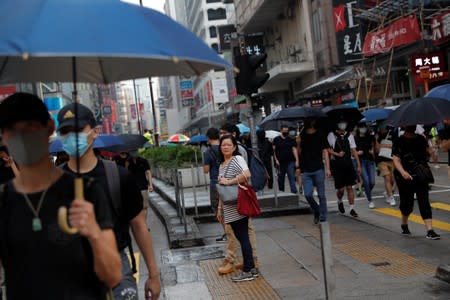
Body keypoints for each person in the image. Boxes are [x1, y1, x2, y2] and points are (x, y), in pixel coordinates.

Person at [0, 92, 121, 299]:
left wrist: (93, 232)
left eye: (30, 128)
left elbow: (113, 276)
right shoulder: (4, 201)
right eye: (12, 131)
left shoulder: (86, 191)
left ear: (49, 128)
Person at [57, 103, 160, 300]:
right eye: (65, 131)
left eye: (78, 130)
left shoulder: (118, 176)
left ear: (95, 132)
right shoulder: (52, 182)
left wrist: (153, 275)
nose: (72, 137)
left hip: (117, 269)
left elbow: (139, 226)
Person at [217, 124, 258, 276]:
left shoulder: (237, 159)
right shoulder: (222, 165)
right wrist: (220, 208)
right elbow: (222, 189)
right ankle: (251, 266)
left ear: (234, 147)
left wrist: (230, 181)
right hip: (228, 206)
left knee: (243, 237)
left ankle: (248, 270)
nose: (226, 147)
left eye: (229, 145)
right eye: (223, 145)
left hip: (239, 204)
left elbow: (247, 174)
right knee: (241, 237)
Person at [392, 125, 440, 240]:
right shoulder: (399, 141)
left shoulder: (421, 139)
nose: (412, 125)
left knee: (424, 201)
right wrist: (403, 172)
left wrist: (432, 149)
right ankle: (404, 224)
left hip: (420, 175)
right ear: (404, 126)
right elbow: (396, 159)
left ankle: (430, 230)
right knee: (407, 202)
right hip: (404, 176)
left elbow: (430, 156)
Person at [299, 118, 331, 223]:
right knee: (307, 194)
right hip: (305, 170)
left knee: (321, 195)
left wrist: (328, 168)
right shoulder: (301, 135)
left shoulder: (320, 134)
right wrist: (298, 143)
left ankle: (323, 215)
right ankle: (317, 209)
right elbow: (299, 152)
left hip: (318, 168)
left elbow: (325, 151)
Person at [327, 118, 361, 217]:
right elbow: (327, 149)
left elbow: (354, 150)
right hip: (337, 165)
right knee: (341, 190)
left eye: (344, 122)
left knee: (350, 187)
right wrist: (337, 154)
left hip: (348, 164)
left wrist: (358, 164)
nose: (343, 124)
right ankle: (339, 200)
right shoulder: (331, 135)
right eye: (341, 123)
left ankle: (352, 208)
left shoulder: (350, 135)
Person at [203, 127, 226, 242]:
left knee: (218, 209)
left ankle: (227, 232)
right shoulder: (225, 148)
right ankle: (231, 232)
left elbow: (206, 170)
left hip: (215, 183)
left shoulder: (208, 152)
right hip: (227, 181)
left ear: (208, 138)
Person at [125, 149, 154, 224]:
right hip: (133, 188)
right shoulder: (128, 162)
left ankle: (143, 224)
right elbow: (125, 174)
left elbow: (148, 172)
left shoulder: (143, 161)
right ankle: (141, 223)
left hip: (143, 186)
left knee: (144, 206)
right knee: (136, 207)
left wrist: (150, 185)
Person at [354, 124, 376, 208]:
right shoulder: (355, 138)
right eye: (360, 127)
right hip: (360, 161)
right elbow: (352, 151)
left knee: (372, 182)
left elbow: (375, 148)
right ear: (358, 128)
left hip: (370, 161)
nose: (362, 129)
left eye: (364, 127)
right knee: (366, 180)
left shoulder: (370, 137)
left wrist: (372, 151)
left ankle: (364, 189)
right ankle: (370, 200)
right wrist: (357, 153)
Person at [273, 125, 299, 194]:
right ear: (281, 130)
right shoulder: (276, 139)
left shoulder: (291, 139)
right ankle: (281, 192)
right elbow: (274, 151)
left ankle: (294, 192)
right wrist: (276, 160)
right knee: (281, 178)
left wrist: (297, 160)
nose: (285, 132)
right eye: (284, 131)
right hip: (280, 162)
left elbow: (294, 149)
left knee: (291, 177)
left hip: (290, 161)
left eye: (287, 131)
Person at [374, 125, 397, 206]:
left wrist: (383, 145)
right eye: (380, 124)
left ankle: (388, 192)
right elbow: (377, 150)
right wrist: (376, 140)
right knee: (387, 177)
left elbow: (394, 146)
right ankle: (391, 197)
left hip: (391, 159)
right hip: (381, 160)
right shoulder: (377, 135)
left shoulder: (392, 133)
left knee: (393, 180)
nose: (382, 126)